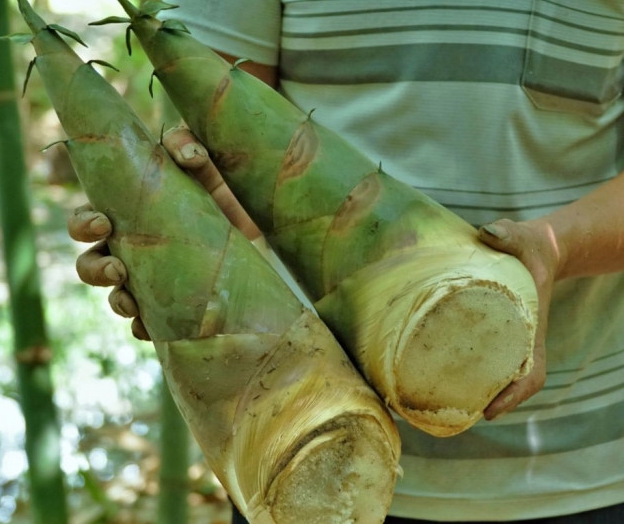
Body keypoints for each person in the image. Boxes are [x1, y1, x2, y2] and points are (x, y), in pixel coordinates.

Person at [68, 1, 624, 522]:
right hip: (300, 463)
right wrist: (166, 235)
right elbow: (228, 160)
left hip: (583, 467)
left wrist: (558, 246)